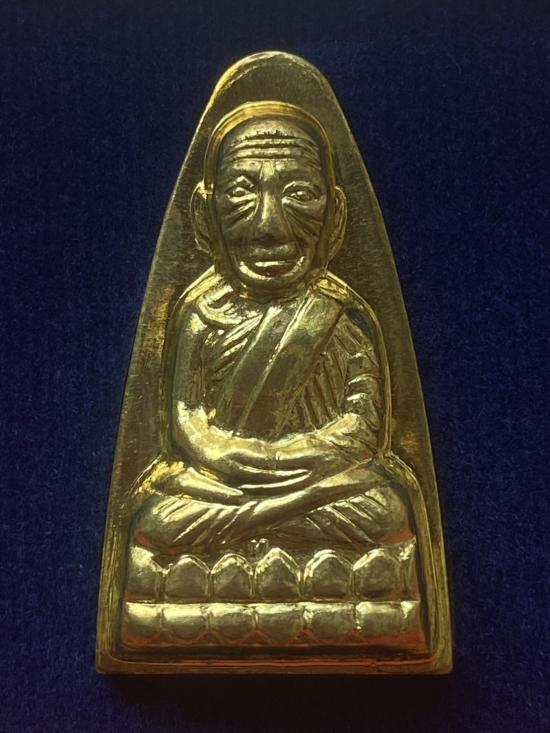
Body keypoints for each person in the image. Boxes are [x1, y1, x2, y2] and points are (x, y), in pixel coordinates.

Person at [130, 102, 412, 559]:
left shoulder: (341, 315)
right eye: (241, 191)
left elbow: (364, 425)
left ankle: (255, 534)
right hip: (224, 485)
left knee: (386, 510)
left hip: (316, 483)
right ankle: (277, 534)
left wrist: (302, 455)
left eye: (300, 194)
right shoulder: (201, 312)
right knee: (157, 517)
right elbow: (184, 417)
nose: (269, 227)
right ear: (204, 212)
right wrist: (218, 453)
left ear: (336, 213)